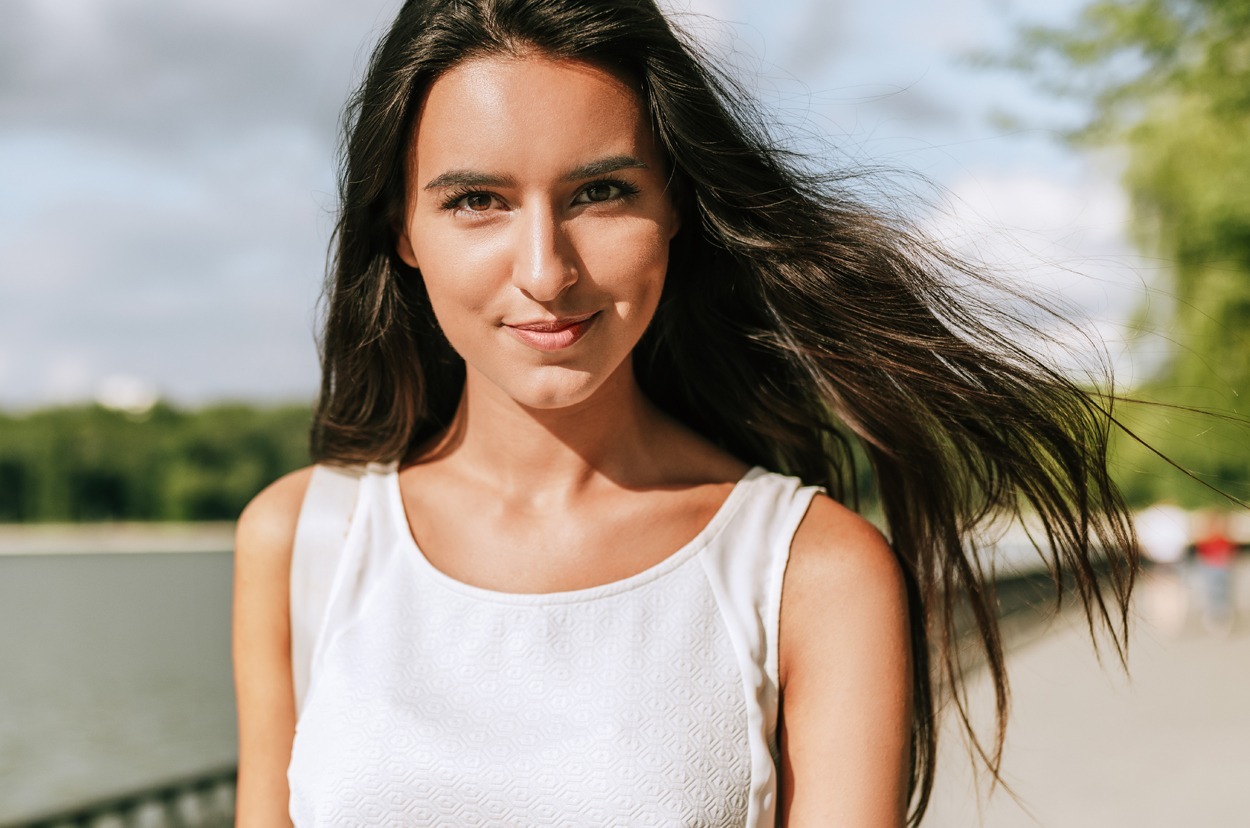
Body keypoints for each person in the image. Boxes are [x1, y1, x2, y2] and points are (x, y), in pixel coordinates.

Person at [231, 1, 1138, 825]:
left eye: (601, 192)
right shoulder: (305, 540)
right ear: (401, 229)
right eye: (478, 201)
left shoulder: (810, 572)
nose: (546, 270)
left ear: (675, 209)